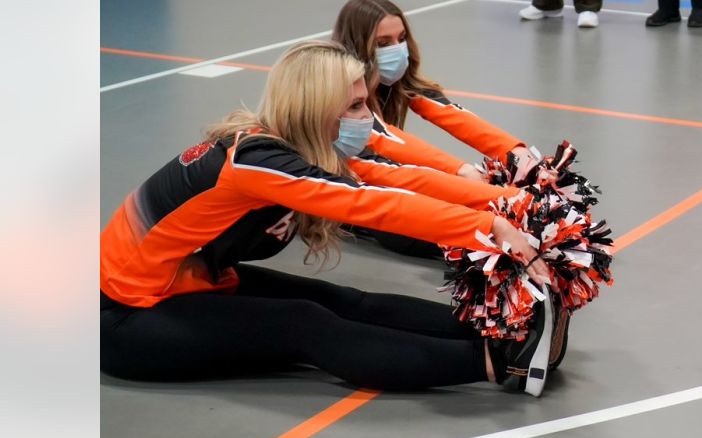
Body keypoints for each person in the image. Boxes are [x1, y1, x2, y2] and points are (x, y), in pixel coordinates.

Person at [100, 41, 566, 397]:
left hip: (190, 283)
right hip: (128, 317)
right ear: (317, 110)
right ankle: (501, 362)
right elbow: (369, 204)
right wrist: (492, 232)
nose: (367, 117)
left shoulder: (298, 149)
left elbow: (407, 183)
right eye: (355, 106)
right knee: (303, 323)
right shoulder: (256, 160)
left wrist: (509, 206)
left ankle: (502, 331)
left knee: (343, 300)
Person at [331, 0, 538, 259]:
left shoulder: (395, 82)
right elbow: (384, 139)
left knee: (479, 207)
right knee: (472, 236)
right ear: (358, 46)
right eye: (383, 43)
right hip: (353, 191)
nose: (397, 49)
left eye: (401, 39)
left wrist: (514, 151)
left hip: (388, 177)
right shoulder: (340, 88)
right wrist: (462, 172)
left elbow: (450, 113)